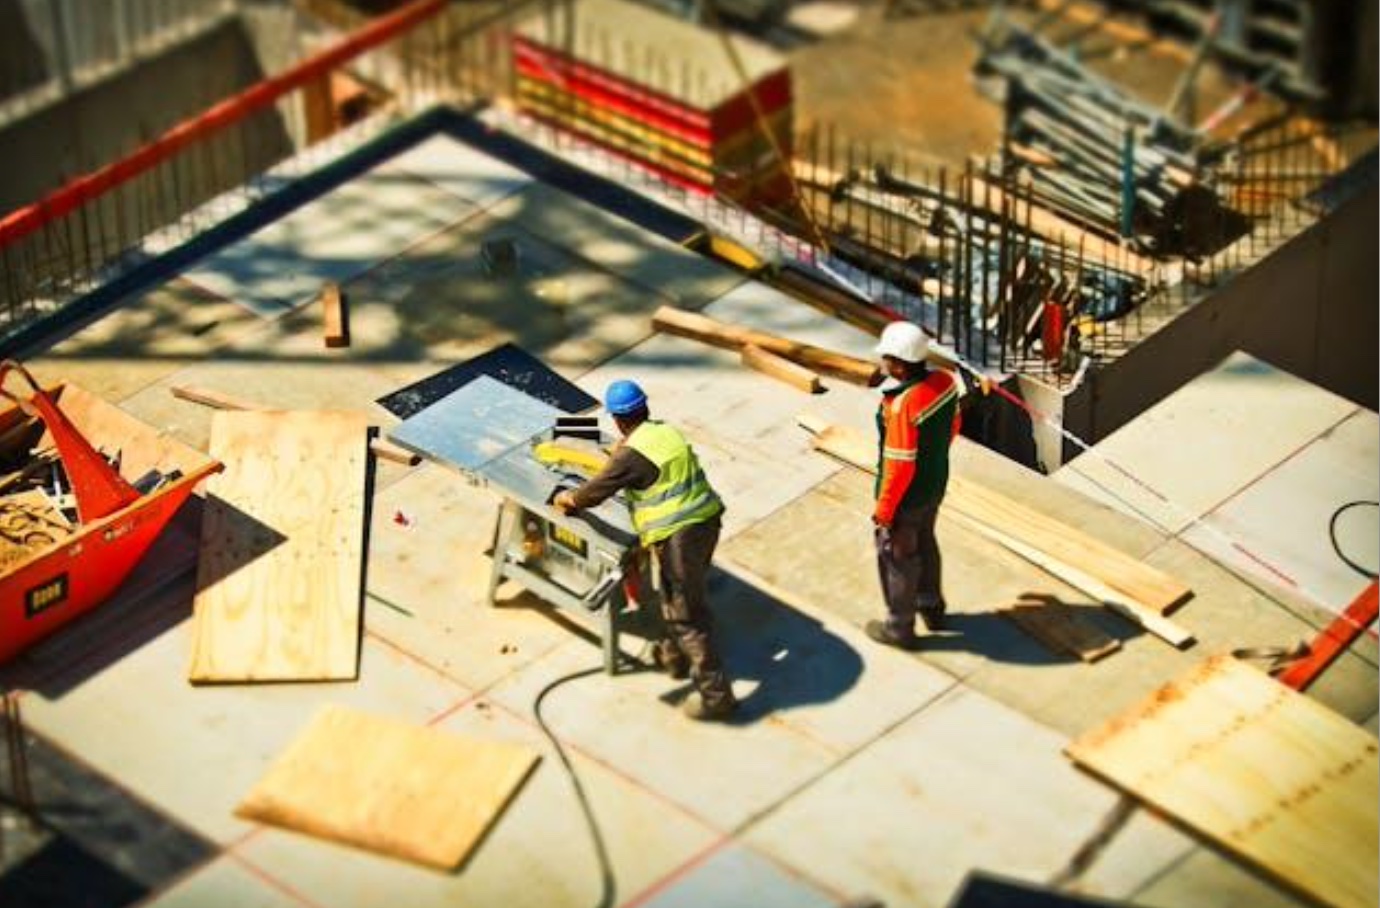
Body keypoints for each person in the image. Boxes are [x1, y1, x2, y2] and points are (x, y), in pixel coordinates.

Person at [553, 380, 737, 721]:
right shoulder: (663, 432)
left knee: (685, 614)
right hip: (707, 522)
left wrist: (568, 498)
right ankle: (674, 656)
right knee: (680, 596)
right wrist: (621, 454)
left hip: (679, 537)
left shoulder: (630, 455)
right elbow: (645, 463)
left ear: (618, 419)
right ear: (644, 409)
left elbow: (593, 494)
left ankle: (716, 695)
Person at [866, 321, 962, 649]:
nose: (883, 365)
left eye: (886, 359)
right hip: (934, 485)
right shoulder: (945, 382)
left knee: (898, 557)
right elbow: (954, 425)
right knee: (927, 541)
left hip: (906, 497)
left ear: (899, 363)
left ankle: (899, 628)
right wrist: (932, 461)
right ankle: (932, 608)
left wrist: (885, 509)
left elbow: (899, 465)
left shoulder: (903, 404)